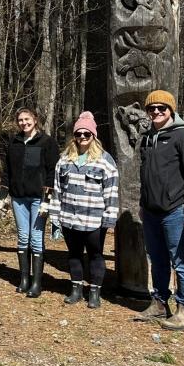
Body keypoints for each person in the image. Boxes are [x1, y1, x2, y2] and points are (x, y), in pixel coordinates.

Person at [134, 90, 184, 330]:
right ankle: (159, 303)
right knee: (157, 259)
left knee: (182, 260)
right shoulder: (147, 138)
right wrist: (143, 205)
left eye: (161, 108)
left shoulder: (183, 137)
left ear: (171, 110)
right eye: (151, 108)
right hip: (151, 210)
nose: (156, 112)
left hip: (175, 209)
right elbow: (146, 177)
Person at [48, 111, 119, 309]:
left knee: (95, 254)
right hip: (69, 216)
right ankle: (76, 288)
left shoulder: (105, 161)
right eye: (78, 134)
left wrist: (109, 218)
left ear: (93, 136)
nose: (82, 138)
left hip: (94, 219)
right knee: (74, 254)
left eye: (86, 134)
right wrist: (55, 215)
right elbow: (57, 190)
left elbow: (111, 191)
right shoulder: (64, 160)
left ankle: (95, 291)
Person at [2, 107, 59, 298]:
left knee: (36, 238)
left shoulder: (47, 142)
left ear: (35, 120)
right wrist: (3, 193)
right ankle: (24, 279)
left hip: (38, 198)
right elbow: (7, 170)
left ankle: (37, 283)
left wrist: (47, 199)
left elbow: (52, 172)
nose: (24, 123)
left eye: (27, 119)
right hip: (18, 198)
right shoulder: (14, 142)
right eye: (20, 120)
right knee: (22, 237)